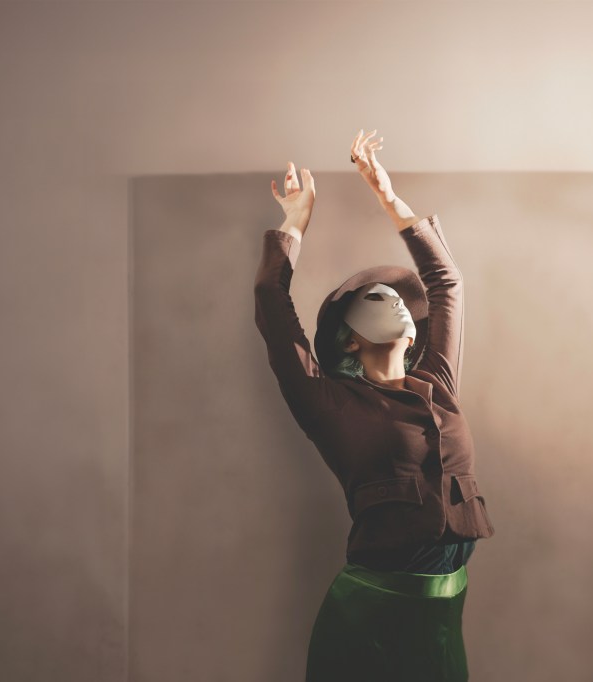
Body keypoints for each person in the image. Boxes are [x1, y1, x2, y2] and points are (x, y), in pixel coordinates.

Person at [253, 129, 495, 682]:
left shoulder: (438, 380)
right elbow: (271, 301)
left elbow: (446, 281)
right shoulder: (328, 403)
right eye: (376, 299)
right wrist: (296, 221)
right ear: (349, 341)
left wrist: (388, 195)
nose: (398, 303)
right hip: (373, 612)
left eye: (400, 300)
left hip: (444, 609)